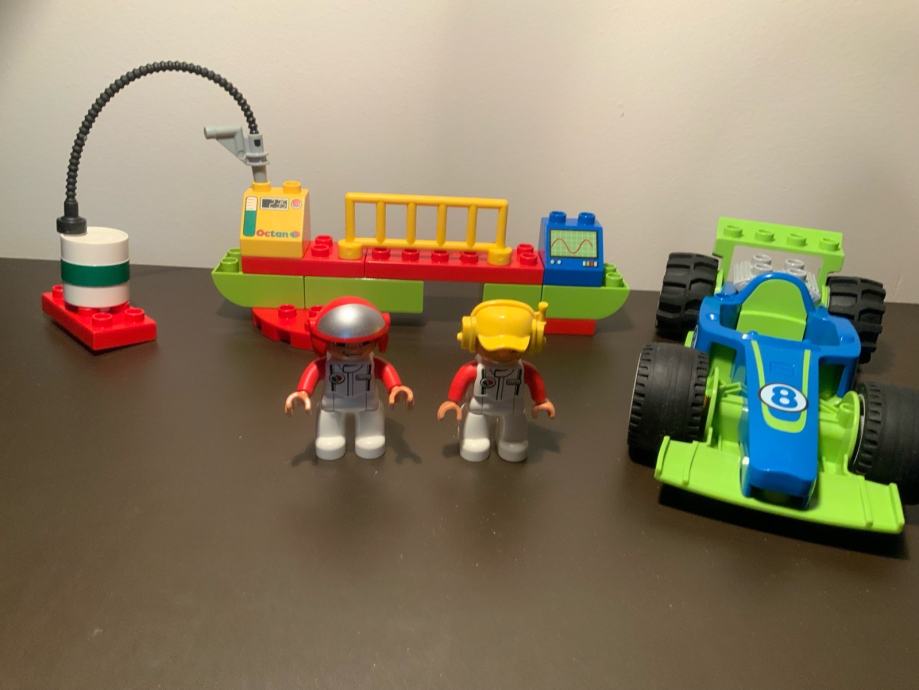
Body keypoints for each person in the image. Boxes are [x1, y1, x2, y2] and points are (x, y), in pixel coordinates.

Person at [285, 297, 413, 460]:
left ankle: (370, 435)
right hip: (333, 404)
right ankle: (330, 436)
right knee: (329, 426)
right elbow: (314, 371)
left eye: (363, 342)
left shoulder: (372, 362)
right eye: (341, 344)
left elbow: (386, 370)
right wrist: (303, 392)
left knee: (371, 422)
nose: (353, 349)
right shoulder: (327, 364)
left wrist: (395, 387)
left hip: (367, 403)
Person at [437, 300, 555, 462]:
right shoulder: (475, 369)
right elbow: (462, 379)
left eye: (512, 349)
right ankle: (474, 439)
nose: (503, 354)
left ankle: (511, 440)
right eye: (493, 347)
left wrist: (541, 401)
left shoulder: (523, 370)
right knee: (475, 433)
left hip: (513, 407)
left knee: (514, 436)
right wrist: (452, 401)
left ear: (534, 340)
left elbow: (535, 380)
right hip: (479, 406)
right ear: (471, 337)